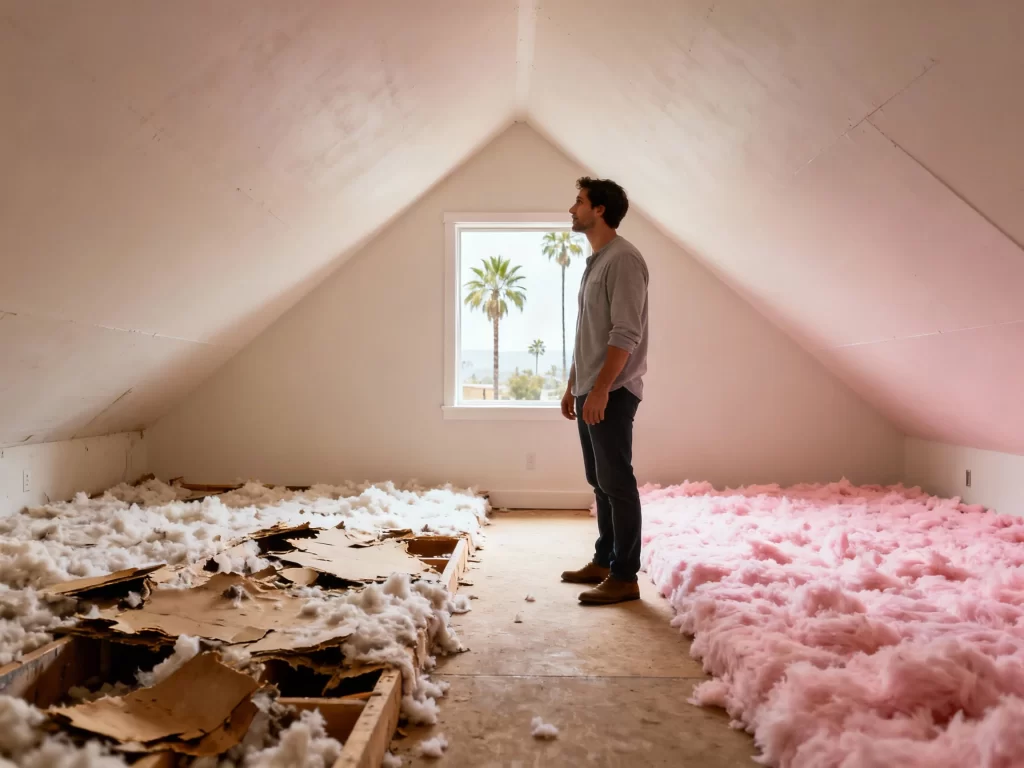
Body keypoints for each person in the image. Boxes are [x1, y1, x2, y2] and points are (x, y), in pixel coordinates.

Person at [559, 176, 649, 605]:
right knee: (599, 480)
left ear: (600, 210)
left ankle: (625, 576)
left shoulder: (624, 260)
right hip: (591, 387)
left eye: (578, 202)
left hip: (612, 391)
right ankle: (604, 559)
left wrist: (601, 391)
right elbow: (588, 333)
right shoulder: (596, 261)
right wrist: (574, 383)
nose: (571, 209)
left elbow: (624, 334)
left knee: (617, 482)